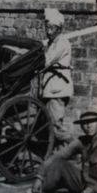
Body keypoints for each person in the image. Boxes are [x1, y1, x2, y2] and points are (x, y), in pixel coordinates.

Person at [41, 8, 73, 144]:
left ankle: (76, 149)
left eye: (51, 28)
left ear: (59, 29)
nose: (48, 31)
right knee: (48, 125)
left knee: (56, 126)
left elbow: (46, 61)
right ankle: (59, 155)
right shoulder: (51, 43)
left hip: (58, 90)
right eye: (47, 28)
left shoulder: (62, 43)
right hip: (51, 89)